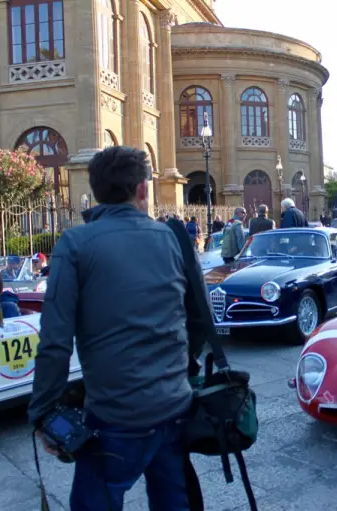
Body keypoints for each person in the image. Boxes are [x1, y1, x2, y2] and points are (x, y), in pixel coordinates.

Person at [28, 146, 209, 511]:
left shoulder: (75, 244)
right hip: (173, 405)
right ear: (142, 189)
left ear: (95, 190)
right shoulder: (174, 239)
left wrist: (44, 410)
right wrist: (180, 368)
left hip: (113, 413)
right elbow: (201, 319)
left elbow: (55, 341)